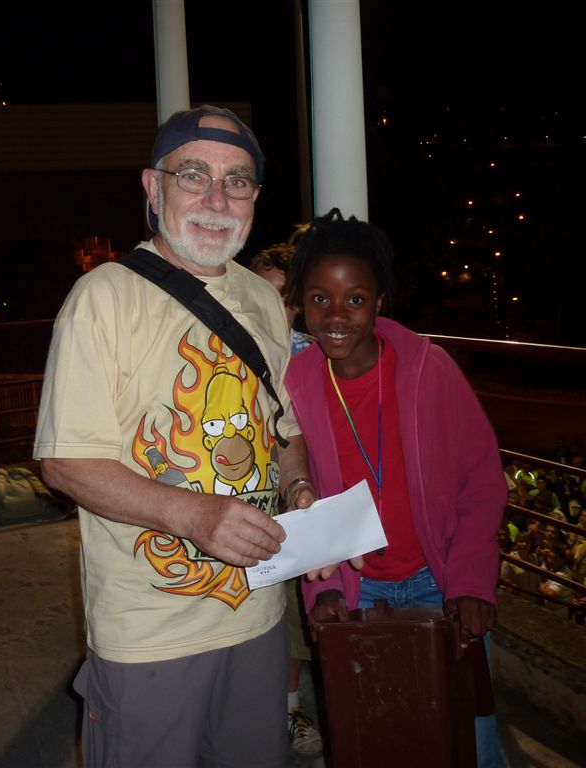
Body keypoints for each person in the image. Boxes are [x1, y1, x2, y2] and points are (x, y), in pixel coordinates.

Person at [34, 105, 316, 768]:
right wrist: (195, 515)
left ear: (254, 198)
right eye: (193, 175)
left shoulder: (263, 299)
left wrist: (300, 488)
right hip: (150, 631)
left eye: (236, 181)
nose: (216, 199)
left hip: (259, 612)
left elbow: (283, 429)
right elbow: (65, 462)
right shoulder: (103, 297)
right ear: (153, 188)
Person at [282, 210, 508, 767]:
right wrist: (323, 591)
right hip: (358, 594)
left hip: (441, 581)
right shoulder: (296, 386)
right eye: (319, 299)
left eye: (355, 299)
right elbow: (305, 499)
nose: (336, 315)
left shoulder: (431, 370)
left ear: (380, 300)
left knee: (471, 744)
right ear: (301, 305)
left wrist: (471, 580)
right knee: (377, 741)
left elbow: (481, 480)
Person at [248, 240, 323, 758]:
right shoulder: (224, 344)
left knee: (303, 608)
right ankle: (275, 706)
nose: (271, 305)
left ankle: (291, 707)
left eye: (282, 295)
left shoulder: (314, 353)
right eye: (261, 292)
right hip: (250, 496)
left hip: (306, 496)